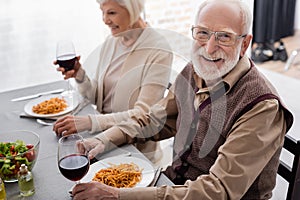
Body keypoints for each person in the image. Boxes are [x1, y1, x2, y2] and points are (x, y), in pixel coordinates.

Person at [72, 0, 294, 199]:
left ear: (245, 44)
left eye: (224, 36)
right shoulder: (194, 71)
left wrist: (118, 196)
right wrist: (103, 140)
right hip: (174, 184)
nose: (209, 47)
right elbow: (154, 119)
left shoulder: (262, 106)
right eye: (202, 33)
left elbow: (219, 191)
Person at [53, 0, 173, 164]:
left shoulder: (159, 50)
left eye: (111, 13)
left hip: (134, 152)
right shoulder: (112, 41)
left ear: (133, 11)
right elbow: (99, 98)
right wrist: (79, 75)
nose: (105, 20)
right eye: (102, 12)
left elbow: (143, 114)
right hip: (99, 139)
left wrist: (90, 122)